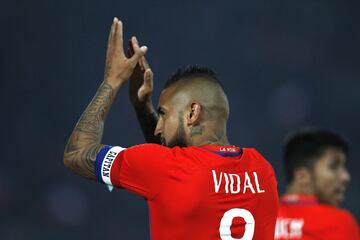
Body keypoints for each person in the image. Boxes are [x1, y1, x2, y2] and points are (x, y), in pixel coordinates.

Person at [64, 17, 279, 240]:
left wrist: (112, 80)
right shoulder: (263, 171)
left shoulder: (166, 169)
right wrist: (141, 106)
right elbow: (179, 170)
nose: (158, 127)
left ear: (192, 113)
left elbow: (76, 154)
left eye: (164, 114)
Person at [275, 128, 359, 239]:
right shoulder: (338, 222)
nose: (345, 177)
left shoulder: (257, 220)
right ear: (302, 176)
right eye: (333, 167)